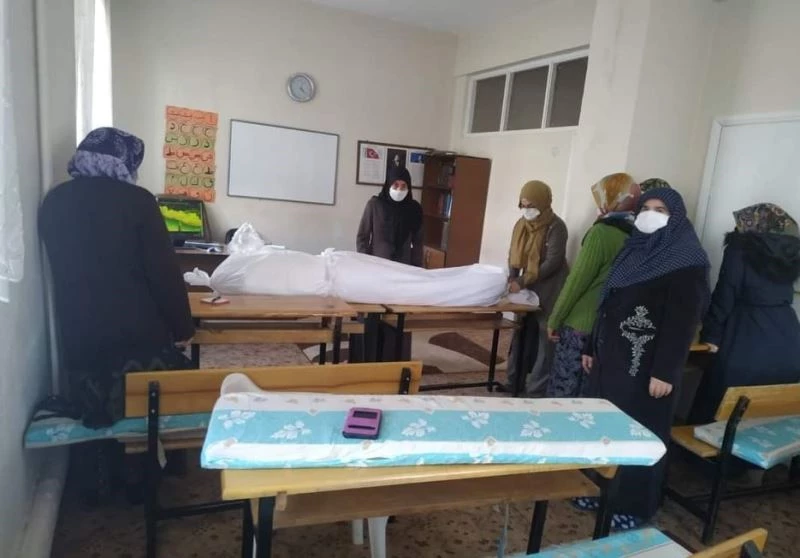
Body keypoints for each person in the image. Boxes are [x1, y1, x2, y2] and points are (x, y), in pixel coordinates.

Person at [39, 127, 195, 428]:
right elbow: (163, 274)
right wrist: (183, 328)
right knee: (161, 399)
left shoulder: (54, 201)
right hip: (138, 338)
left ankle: (101, 450)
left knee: (98, 405)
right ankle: (159, 454)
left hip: (79, 337)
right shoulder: (138, 201)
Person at [578, 187, 710, 529]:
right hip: (612, 358)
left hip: (646, 366)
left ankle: (634, 505)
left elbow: (683, 322)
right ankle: (599, 488)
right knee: (605, 426)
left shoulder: (686, 261)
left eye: (660, 209)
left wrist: (666, 371)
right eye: (645, 207)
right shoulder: (633, 248)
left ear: (676, 217)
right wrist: (591, 347)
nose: (650, 214)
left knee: (639, 433)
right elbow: (607, 303)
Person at [692, 203, 800, 423]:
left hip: (747, 333)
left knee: (721, 406)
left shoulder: (740, 249)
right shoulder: (790, 251)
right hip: (789, 336)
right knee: (768, 412)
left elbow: (725, 294)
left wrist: (711, 335)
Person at [546, 173, 640, 397]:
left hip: (582, 324)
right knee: (588, 391)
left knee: (565, 388)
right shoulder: (637, 234)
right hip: (609, 327)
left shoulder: (601, 233)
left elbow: (577, 282)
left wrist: (555, 319)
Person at [502, 180, 568, 395]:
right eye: (523, 205)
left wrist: (521, 281)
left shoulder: (556, 226)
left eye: (531, 205)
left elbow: (553, 261)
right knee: (520, 333)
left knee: (544, 338)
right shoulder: (521, 225)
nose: (526, 210)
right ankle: (513, 382)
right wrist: (511, 278)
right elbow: (513, 254)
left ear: (543, 202)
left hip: (550, 288)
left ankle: (536, 390)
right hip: (526, 288)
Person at [357, 166, 423, 266]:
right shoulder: (375, 205)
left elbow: (418, 242)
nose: (399, 189)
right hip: (376, 264)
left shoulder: (414, 209)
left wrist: (417, 268)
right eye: (395, 185)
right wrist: (364, 262)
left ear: (408, 187)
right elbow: (362, 237)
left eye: (403, 186)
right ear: (388, 185)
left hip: (403, 266)